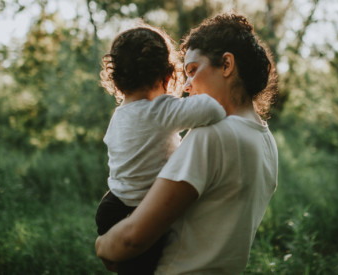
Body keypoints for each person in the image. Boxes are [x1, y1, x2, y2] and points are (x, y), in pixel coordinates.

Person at [95, 13, 279, 274]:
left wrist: (101, 244)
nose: (187, 87)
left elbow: (130, 239)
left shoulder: (211, 136)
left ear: (226, 65)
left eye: (192, 71)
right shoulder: (265, 139)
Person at [95, 24, 227, 274]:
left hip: (111, 206)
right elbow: (213, 109)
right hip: (139, 212)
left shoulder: (121, 114)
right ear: (168, 76)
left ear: (117, 80)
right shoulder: (160, 110)